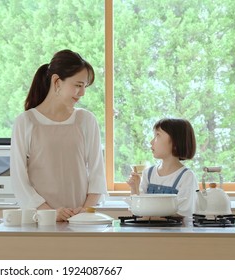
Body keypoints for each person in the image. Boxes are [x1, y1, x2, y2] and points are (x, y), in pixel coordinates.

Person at [10, 49, 107, 222]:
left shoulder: (86, 120)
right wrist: (49, 213)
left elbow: (97, 175)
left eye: (85, 86)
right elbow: (19, 179)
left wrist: (84, 212)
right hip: (40, 221)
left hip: (81, 221)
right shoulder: (26, 122)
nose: (82, 92)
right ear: (57, 81)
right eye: (78, 85)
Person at [127, 118, 198, 217]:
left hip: (174, 232)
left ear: (175, 142)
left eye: (158, 135)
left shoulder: (187, 177)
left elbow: (182, 214)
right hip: (149, 232)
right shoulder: (148, 173)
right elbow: (137, 210)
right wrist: (134, 187)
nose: (151, 142)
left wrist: (149, 215)